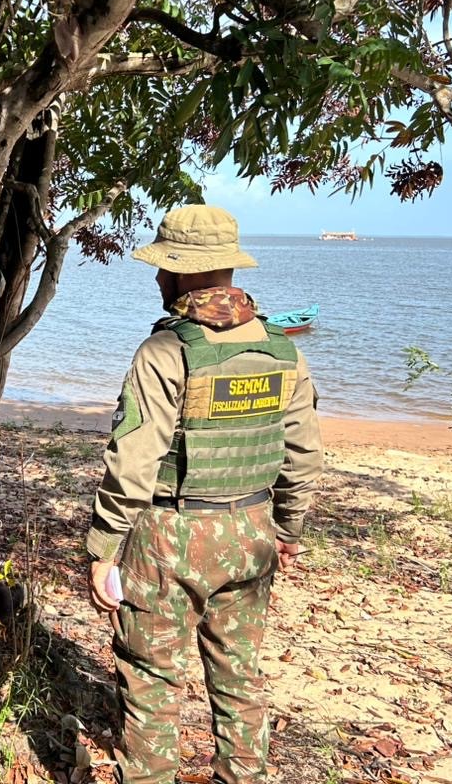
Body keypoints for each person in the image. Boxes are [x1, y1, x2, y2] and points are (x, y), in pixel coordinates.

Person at [85, 205, 324, 784]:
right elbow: (304, 456)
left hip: (172, 535)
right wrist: (287, 530)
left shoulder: (166, 352)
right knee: (240, 674)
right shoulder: (283, 351)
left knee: (151, 681)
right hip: (252, 530)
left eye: (163, 266)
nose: (157, 277)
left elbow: (135, 460)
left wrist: (103, 548)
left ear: (181, 274)